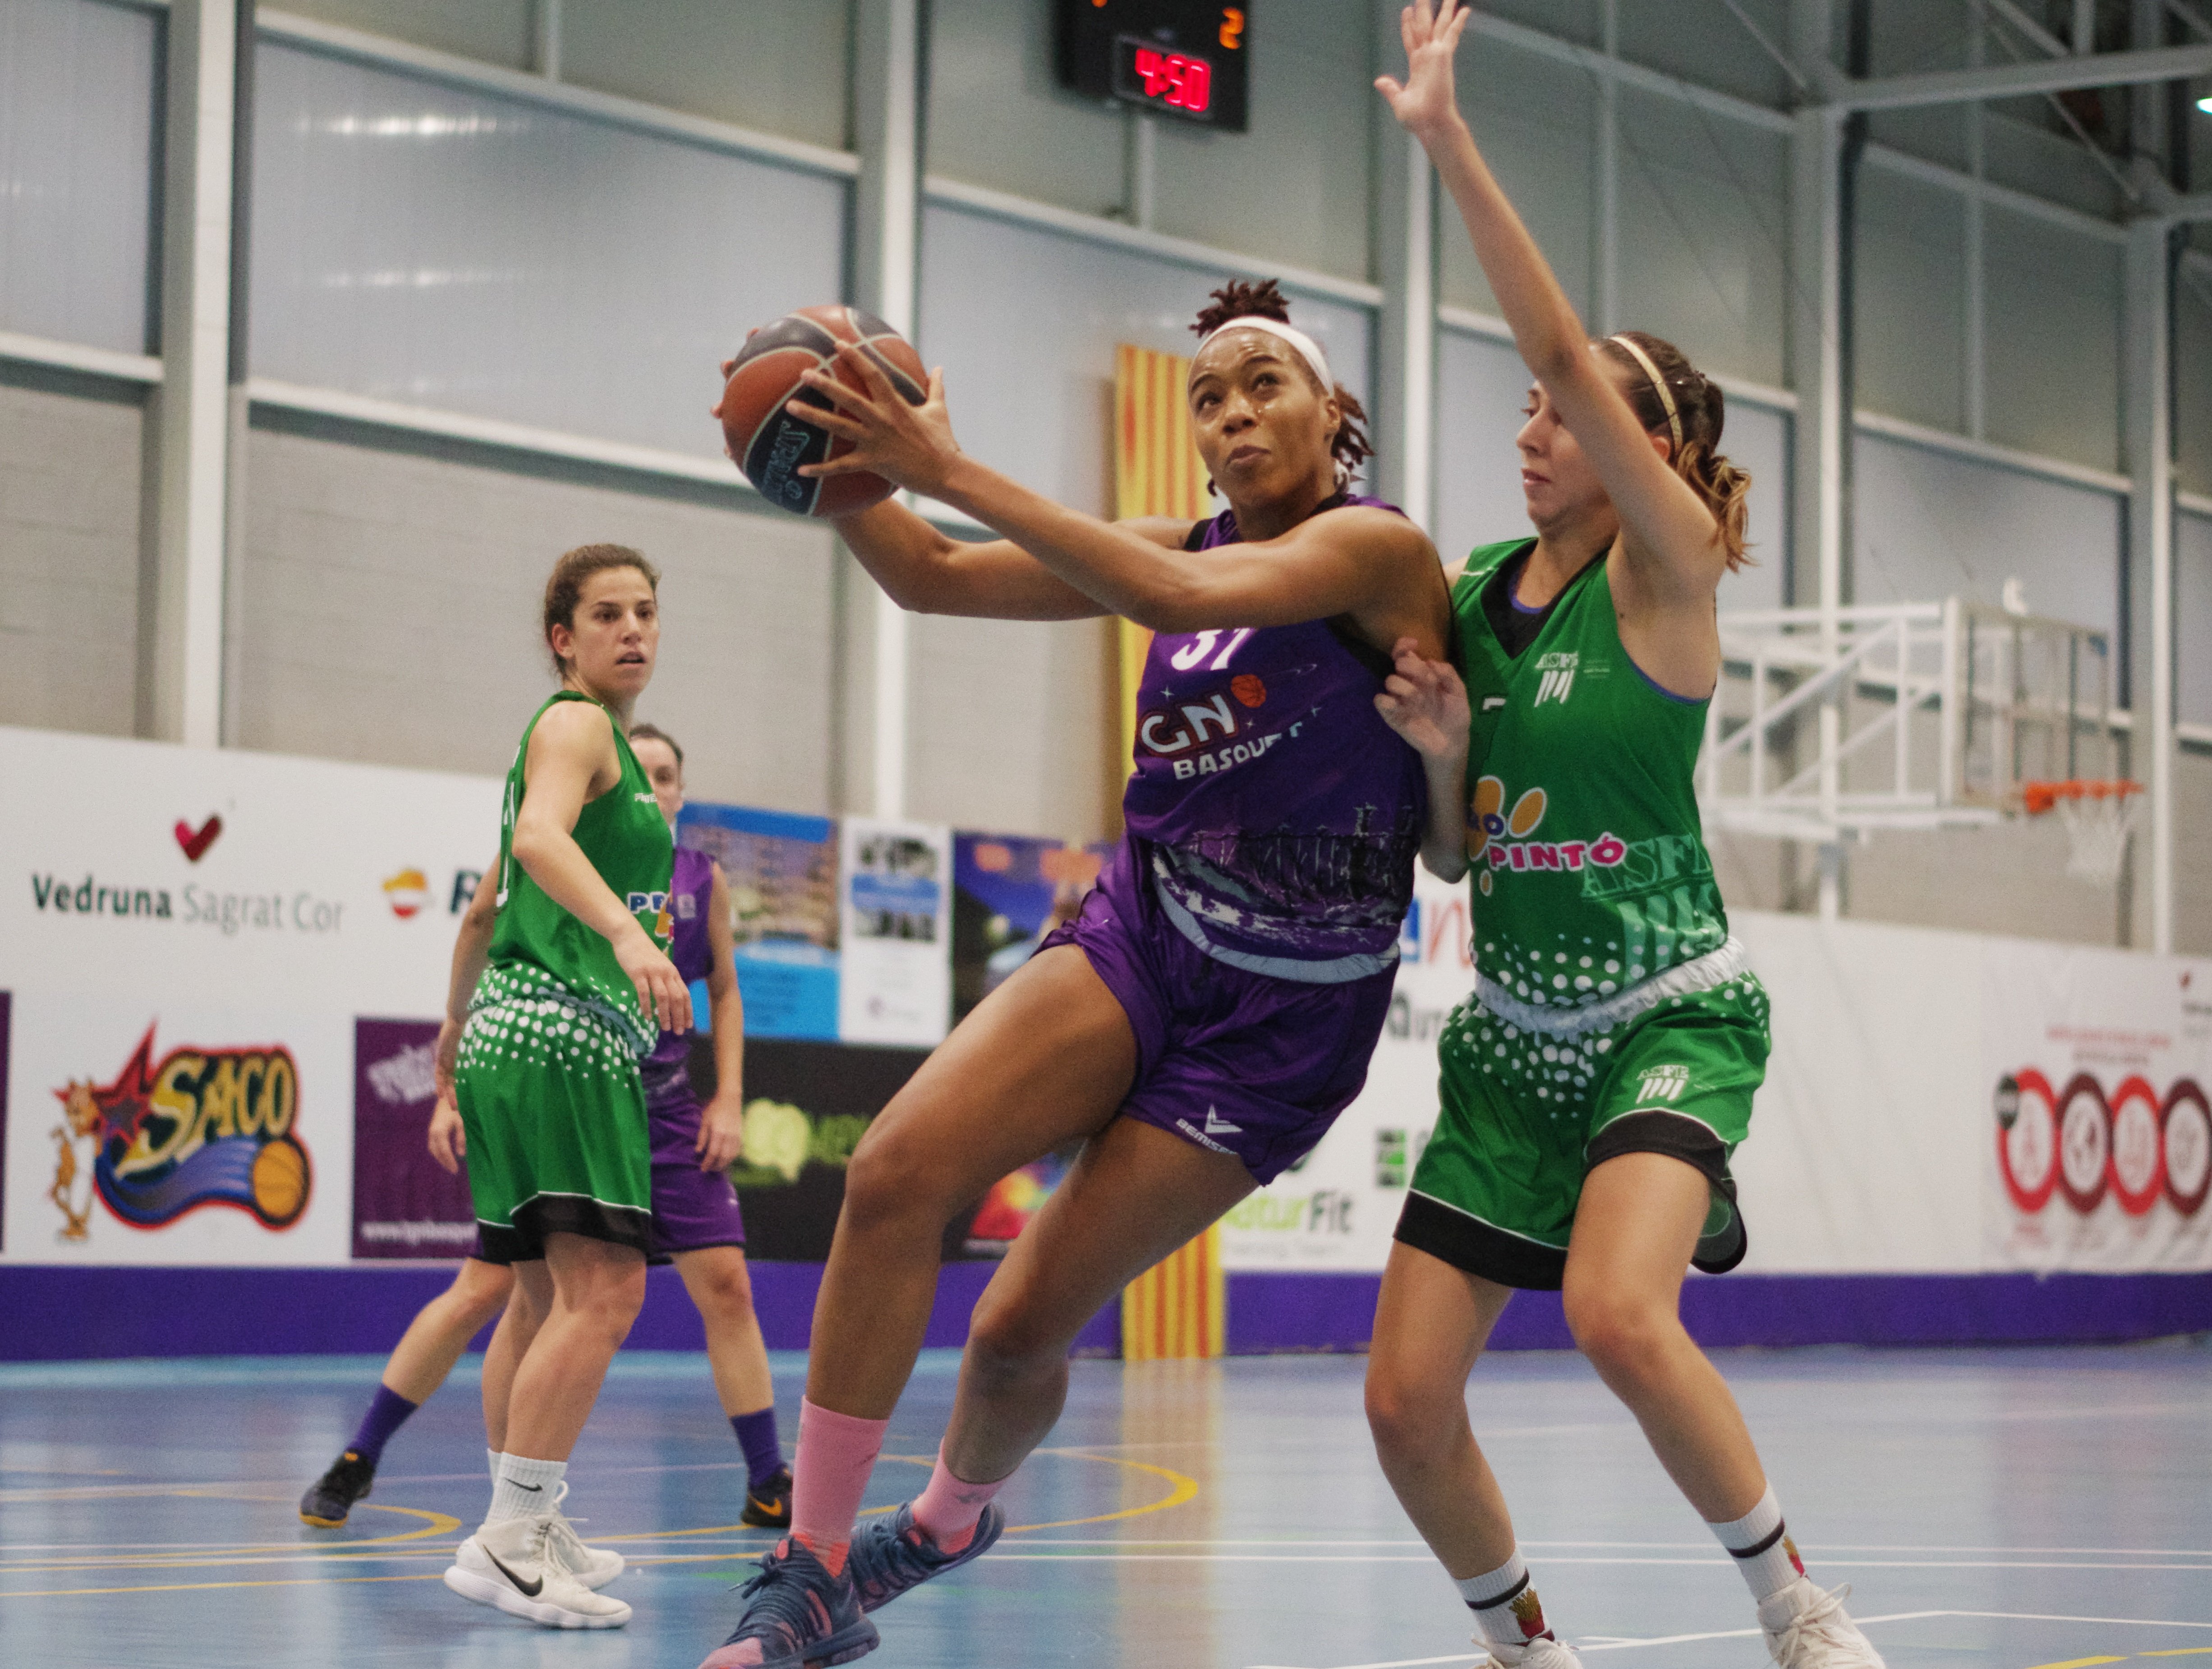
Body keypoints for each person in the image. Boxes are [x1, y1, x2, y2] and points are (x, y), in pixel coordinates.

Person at [694, 280, 1451, 1669]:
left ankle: (942, 1521)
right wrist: (837, 466)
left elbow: (1176, 594)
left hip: (1284, 1022)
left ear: (1333, 410)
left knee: (1018, 1326)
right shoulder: (1181, 537)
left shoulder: (1379, 550)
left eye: (1260, 384)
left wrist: (952, 462)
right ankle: (805, 1567)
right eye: (1207, 398)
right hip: (1148, 930)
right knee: (896, 1170)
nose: (1231, 413)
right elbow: (928, 573)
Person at [1362, 8, 1891, 1669]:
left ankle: (1792, 1603)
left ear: (1642, 453)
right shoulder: (1462, 598)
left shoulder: (1662, 575)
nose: (1532, 423)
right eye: (1520, 407)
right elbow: (1456, 863)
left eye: (1560, 407)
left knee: (1612, 1309)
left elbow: (1578, 360)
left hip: (1668, 1014)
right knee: (1399, 1401)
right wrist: (1443, 762)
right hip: (1512, 1043)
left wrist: (1449, 142)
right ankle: (1521, 1640)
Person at [298, 724, 793, 1536]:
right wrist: (449, 1081)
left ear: (676, 792)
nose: (654, 785)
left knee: (727, 1285)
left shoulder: (704, 881)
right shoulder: (551, 845)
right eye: (644, 769)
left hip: (664, 1109)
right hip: (567, 1086)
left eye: (667, 775)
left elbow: (728, 990)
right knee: (495, 1294)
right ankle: (363, 1458)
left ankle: (768, 1478)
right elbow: (475, 933)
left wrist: (730, 1095)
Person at [437, 543, 690, 1631]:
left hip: (511, 1034)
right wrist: (630, 936)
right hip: (561, 1036)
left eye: (644, 612)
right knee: (608, 1293)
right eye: (606, 614)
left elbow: (486, 908)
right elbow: (535, 840)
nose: (631, 630)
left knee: (539, 1299)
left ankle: (521, 1518)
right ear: (563, 638)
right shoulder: (577, 725)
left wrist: (454, 1040)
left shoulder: (606, 756)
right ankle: (510, 1537)